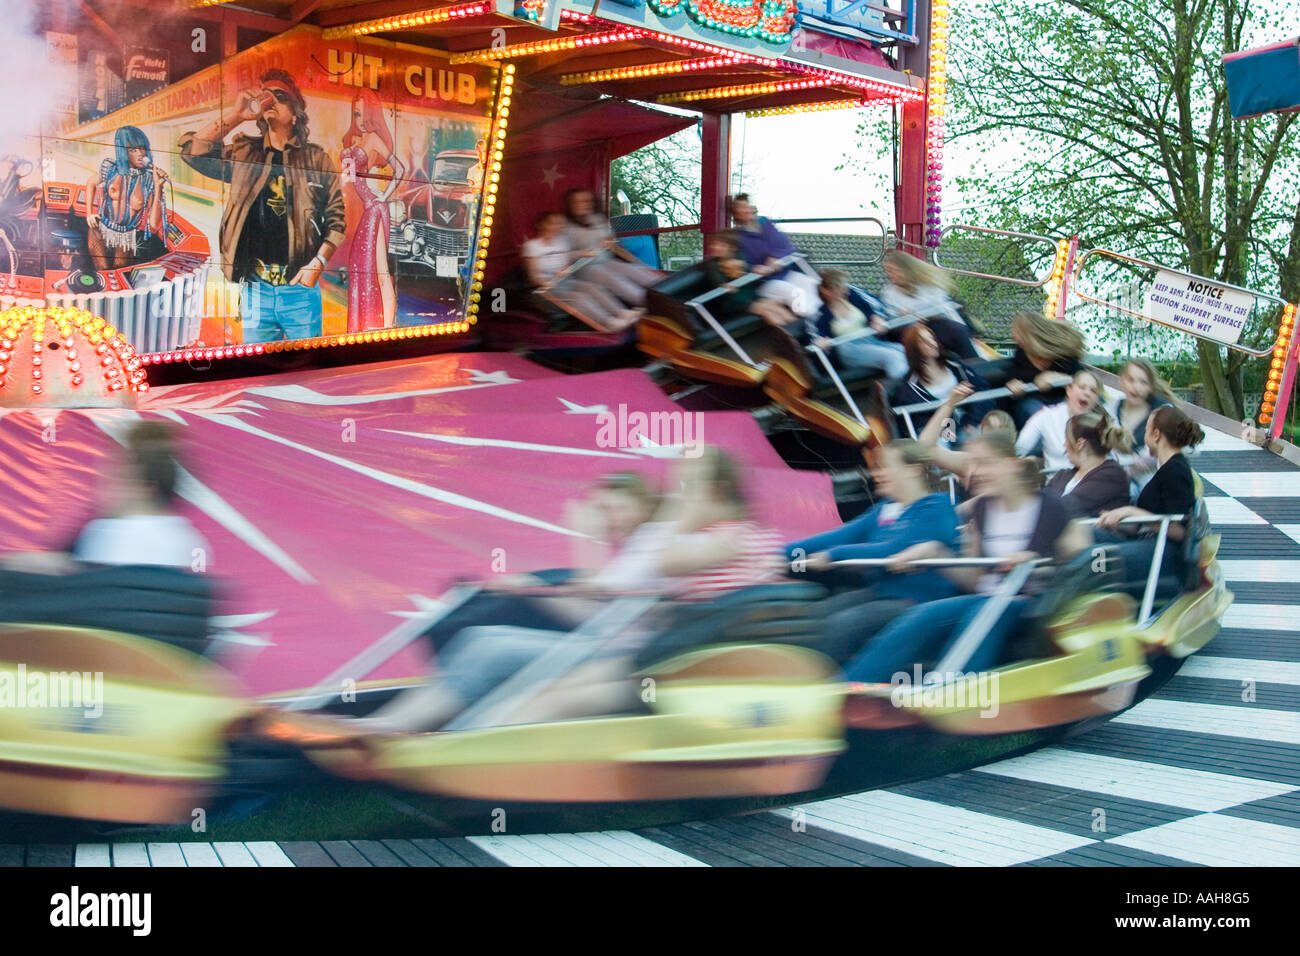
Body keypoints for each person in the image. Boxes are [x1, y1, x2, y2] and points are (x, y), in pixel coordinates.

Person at [360, 449, 785, 730]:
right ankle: (405, 731)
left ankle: (441, 746)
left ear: (716, 492)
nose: (676, 495)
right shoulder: (716, 536)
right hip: (659, 651)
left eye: (685, 487)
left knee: (507, 658)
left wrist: (661, 513)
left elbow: (645, 574)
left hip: (668, 660)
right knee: (489, 641)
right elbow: (623, 593)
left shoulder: (725, 537)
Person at [842, 431, 1089, 683]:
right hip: (989, 597)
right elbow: (975, 581)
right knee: (923, 615)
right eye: (972, 463)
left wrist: (1036, 564)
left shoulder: (1051, 507)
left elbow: (1082, 563)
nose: (976, 471)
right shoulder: (982, 509)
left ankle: (952, 690)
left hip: (1029, 603)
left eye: (985, 463)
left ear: (1013, 465)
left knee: (984, 613)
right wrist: (937, 552)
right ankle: (848, 687)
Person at [181, 69, 345, 343]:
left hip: (299, 289)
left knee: (307, 366)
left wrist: (318, 264)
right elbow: (194, 151)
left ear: (295, 114)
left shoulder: (317, 159)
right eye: (267, 95)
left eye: (280, 96)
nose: (271, 100)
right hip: (256, 287)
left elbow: (336, 220)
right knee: (258, 366)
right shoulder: (246, 152)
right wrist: (236, 115)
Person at [785, 440, 960, 663]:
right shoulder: (884, 510)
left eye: (886, 466)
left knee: (841, 625)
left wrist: (832, 555)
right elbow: (837, 536)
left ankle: (824, 686)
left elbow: (893, 549)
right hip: (882, 593)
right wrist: (778, 553)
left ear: (912, 470)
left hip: (918, 601)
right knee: (812, 618)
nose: (878, 473)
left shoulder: (937, 507)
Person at [3, 421, 207, 573]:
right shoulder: (189, 540)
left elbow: (62, 570)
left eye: (115, 475)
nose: (104, 483)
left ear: (144, 488)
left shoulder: (107, 534)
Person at [1098, 404, 1204, 553]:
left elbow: (1180, 531)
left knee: (1096, 550)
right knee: (1092, 535)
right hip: (1149, 544)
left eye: (1146, 430)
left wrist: (1131, 512)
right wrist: (1116, 517)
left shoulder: (1175, 470)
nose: (1144, 436)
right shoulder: (1169, 468)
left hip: (1162, 552)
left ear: (1156, 434)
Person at [341, 90, 405, 331]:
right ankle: (362, 326)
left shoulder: (374, 140)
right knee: (359, 267)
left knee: (380, 269)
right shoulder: (352, 141)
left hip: (375, 210)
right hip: (361, 211)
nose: (359, 120)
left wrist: (383, 197)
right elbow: (347, 181)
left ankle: (386, 328)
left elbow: (400, 169)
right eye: (356, 114)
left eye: (363, 114)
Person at [523, 211, 641, 330]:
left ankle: (622, 313)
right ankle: (609, 322)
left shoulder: (561, 242)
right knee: (579, 298)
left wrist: (582, 255)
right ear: (543, 225)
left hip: (565, 282)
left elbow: (566, 260)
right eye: (553, 224)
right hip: (546, 292)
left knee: (593, 288)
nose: (558, 227)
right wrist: (545, 282)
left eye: (560, 224)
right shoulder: (532, 246)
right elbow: (534, 277)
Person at [975, 311, 1086, 425]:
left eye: (1016, 331)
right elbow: (1011, 381)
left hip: (1062, 402)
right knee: (1032, 410)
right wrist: (1013, 388)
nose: (1013, 335)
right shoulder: (1019, 358)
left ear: (1028, 335)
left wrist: (1059, 378)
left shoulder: (1062, 357)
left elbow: (1084, 379)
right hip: (1034, 407)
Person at [85, 125, 169, 272]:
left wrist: (158, 187)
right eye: (133, 150)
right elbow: (91, 183)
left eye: (142, 148)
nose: (140, 154)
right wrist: (88, 214)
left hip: (125, 237)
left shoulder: (149, 180)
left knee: (119, 271)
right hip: (100, 228)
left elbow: (154, 225)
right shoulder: (110, 168)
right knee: (102, 269)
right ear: (123, 151)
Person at [563, 188, 662, 307]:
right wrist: (582, 253)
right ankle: (651, 303)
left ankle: (669, 292)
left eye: (585, 201)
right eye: (577, 202)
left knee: (633, 270)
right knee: (612, 278)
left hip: (605, 261)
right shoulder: (566, 227)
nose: (581, 205)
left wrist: (639, 264)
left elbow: (613, 245)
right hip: (583, 267)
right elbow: (562, 255)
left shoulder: (598, 221)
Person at [891, 322, 992, 438]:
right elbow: (924, 426)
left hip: (973, 424)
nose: (931, 343)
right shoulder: (909, 390)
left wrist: (972, 422)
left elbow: (981, 389)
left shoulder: (953, 363)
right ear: (913, 348)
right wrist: (958, 432)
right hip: (946, 437)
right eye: (923, 341)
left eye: (932, 338)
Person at [728, 193, 820, 319]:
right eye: (741, 207)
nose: (746, 209)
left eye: (747, 205)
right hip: (765, 282)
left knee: (813, 284)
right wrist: (753, 268)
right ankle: (814, 325)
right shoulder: (738, 238)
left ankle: (825, 319)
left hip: (785, 272)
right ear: (736, 214)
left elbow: (785, 246)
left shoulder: (767, 224)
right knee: (795, 294)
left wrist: (775, 259)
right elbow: (740, 264)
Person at [809, 269, 908, 380]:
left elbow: (877, 305)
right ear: (826, 291)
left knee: (903, 350)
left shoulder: (854, 294)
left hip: (870, 340)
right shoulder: (819, 315)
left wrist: (877, 317)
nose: (845, 291)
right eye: (840, 288)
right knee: (892, 357)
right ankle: (903, 391)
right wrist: (820, 343)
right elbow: (815, 338)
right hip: (849, 350)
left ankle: (916, 387)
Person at [878, 249, 978, 359]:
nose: (889, 274)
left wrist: (930, 315)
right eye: (888, 271)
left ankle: (974, 364)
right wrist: (902, 315)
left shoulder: (929, 286)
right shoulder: (889, 293)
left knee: (957, 330)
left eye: (894, 270)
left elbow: (945, 308)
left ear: (906, 270)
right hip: (907, 328)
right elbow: (888, 318)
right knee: (916, 334)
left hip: (932, 322)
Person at [1045, 409, 1133, 517]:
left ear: (1080, 443)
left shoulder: (1112, 474)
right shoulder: (1062, 475)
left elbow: (1068, 506)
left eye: (1067, 439)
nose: (1064, 445)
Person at [1015, 369, 1106, 471]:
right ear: (1069, 390)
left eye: (1093, 391)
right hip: (1056, 483)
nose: (1087, 393)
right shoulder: (1046, 416)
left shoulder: (1102, 423)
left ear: (1097, 399)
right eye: (1082, 387)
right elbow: (1019, 450)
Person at [1105, 357, 1175, 489]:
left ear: (1150, 386)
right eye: (1131, 380)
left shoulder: (1163, 413)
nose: (1136, 387)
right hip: (1111, 479)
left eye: (1143, 382)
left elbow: (1157, 454)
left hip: (1149, 481)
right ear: (1122, 381)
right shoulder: (1109, 410)